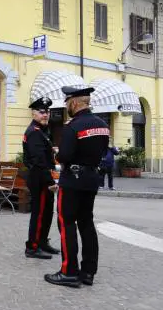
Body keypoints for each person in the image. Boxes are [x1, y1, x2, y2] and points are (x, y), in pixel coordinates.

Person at [45, 86, 109, 288]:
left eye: (67, 103)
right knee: (87, 224)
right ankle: (88, 271)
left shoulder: (73, 126)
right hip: (91, 179)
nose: (66, 107)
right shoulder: (102, 125)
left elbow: (64, 155)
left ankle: (69, 272)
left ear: (74, 102)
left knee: (66, 223)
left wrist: (56, 154)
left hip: (72, 180)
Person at [22, 96, 60, 259]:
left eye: (48, 112)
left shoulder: (42, 131)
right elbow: (38, 161)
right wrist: (50, 181)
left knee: (47, 213)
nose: (45, 115)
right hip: (40, 179)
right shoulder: (35, 132)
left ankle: (42, 241)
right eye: (42, 112)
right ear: (33, 114)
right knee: (39, 213)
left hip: (43, 177)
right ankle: (32, 246)